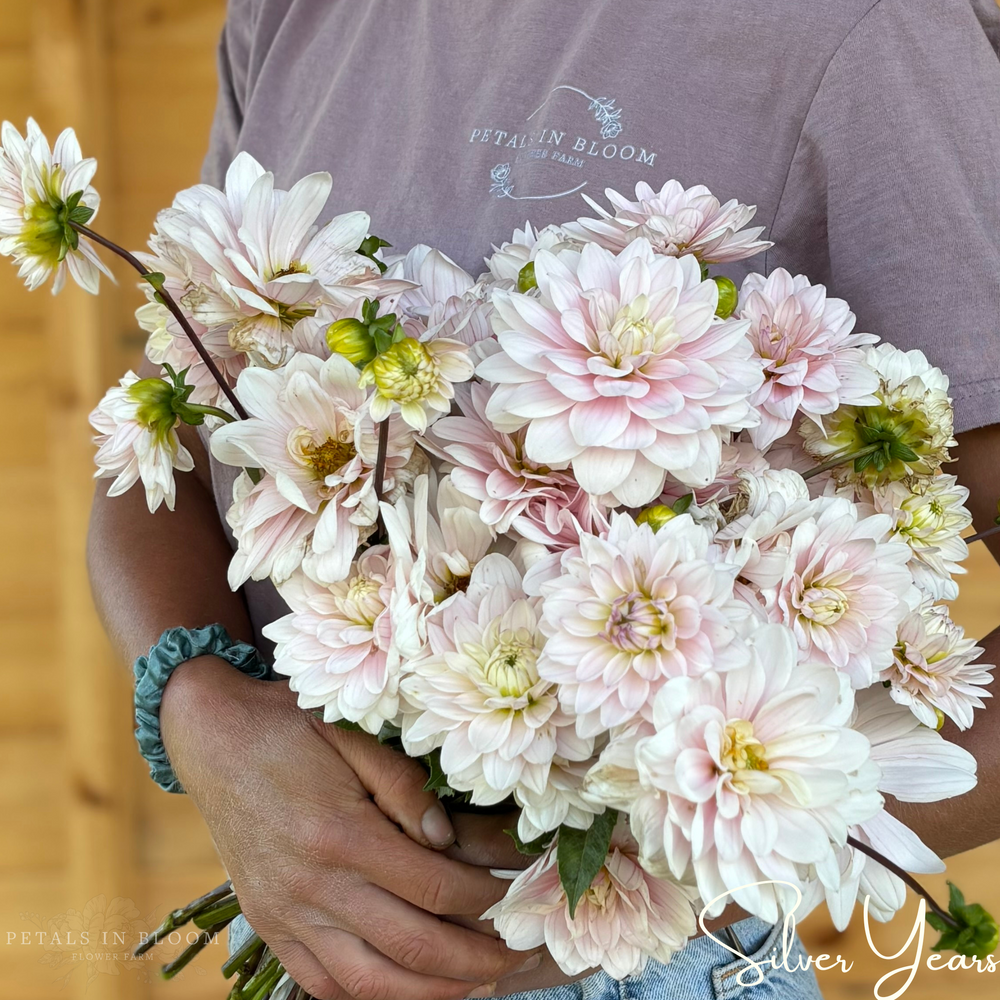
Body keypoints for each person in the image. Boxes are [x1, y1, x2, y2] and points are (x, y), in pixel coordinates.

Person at [88, 1, 1000, 998]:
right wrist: (196, 703)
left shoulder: (871, 31)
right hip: (307, 938)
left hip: (633, 968)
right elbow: (174, 417)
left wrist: (658, 869)